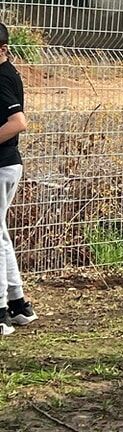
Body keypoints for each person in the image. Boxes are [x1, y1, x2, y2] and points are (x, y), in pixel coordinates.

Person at [0, 23, 33, 335]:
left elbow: (18, 122)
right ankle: (18, 305)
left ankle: (0, 314)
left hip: (2, 165)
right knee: (1, 235)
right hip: (8, 165)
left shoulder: (1, 78)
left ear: (2, 48)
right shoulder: (8, 73)